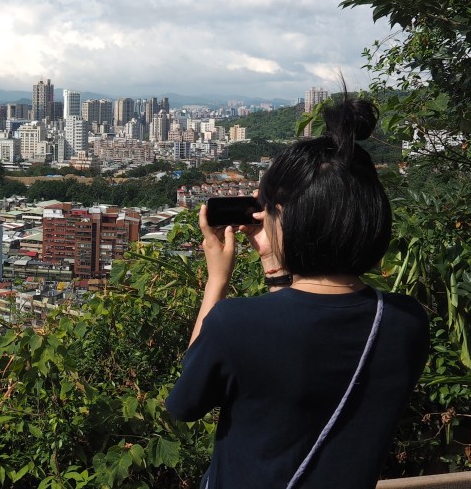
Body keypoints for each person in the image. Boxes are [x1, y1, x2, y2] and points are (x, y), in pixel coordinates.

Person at [166, 94, 429, 488]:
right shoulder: (406, 320)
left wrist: (216, 281)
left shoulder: (235, 322)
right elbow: (302, 329)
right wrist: (274, 264)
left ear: (284, 218)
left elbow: (185, 404)